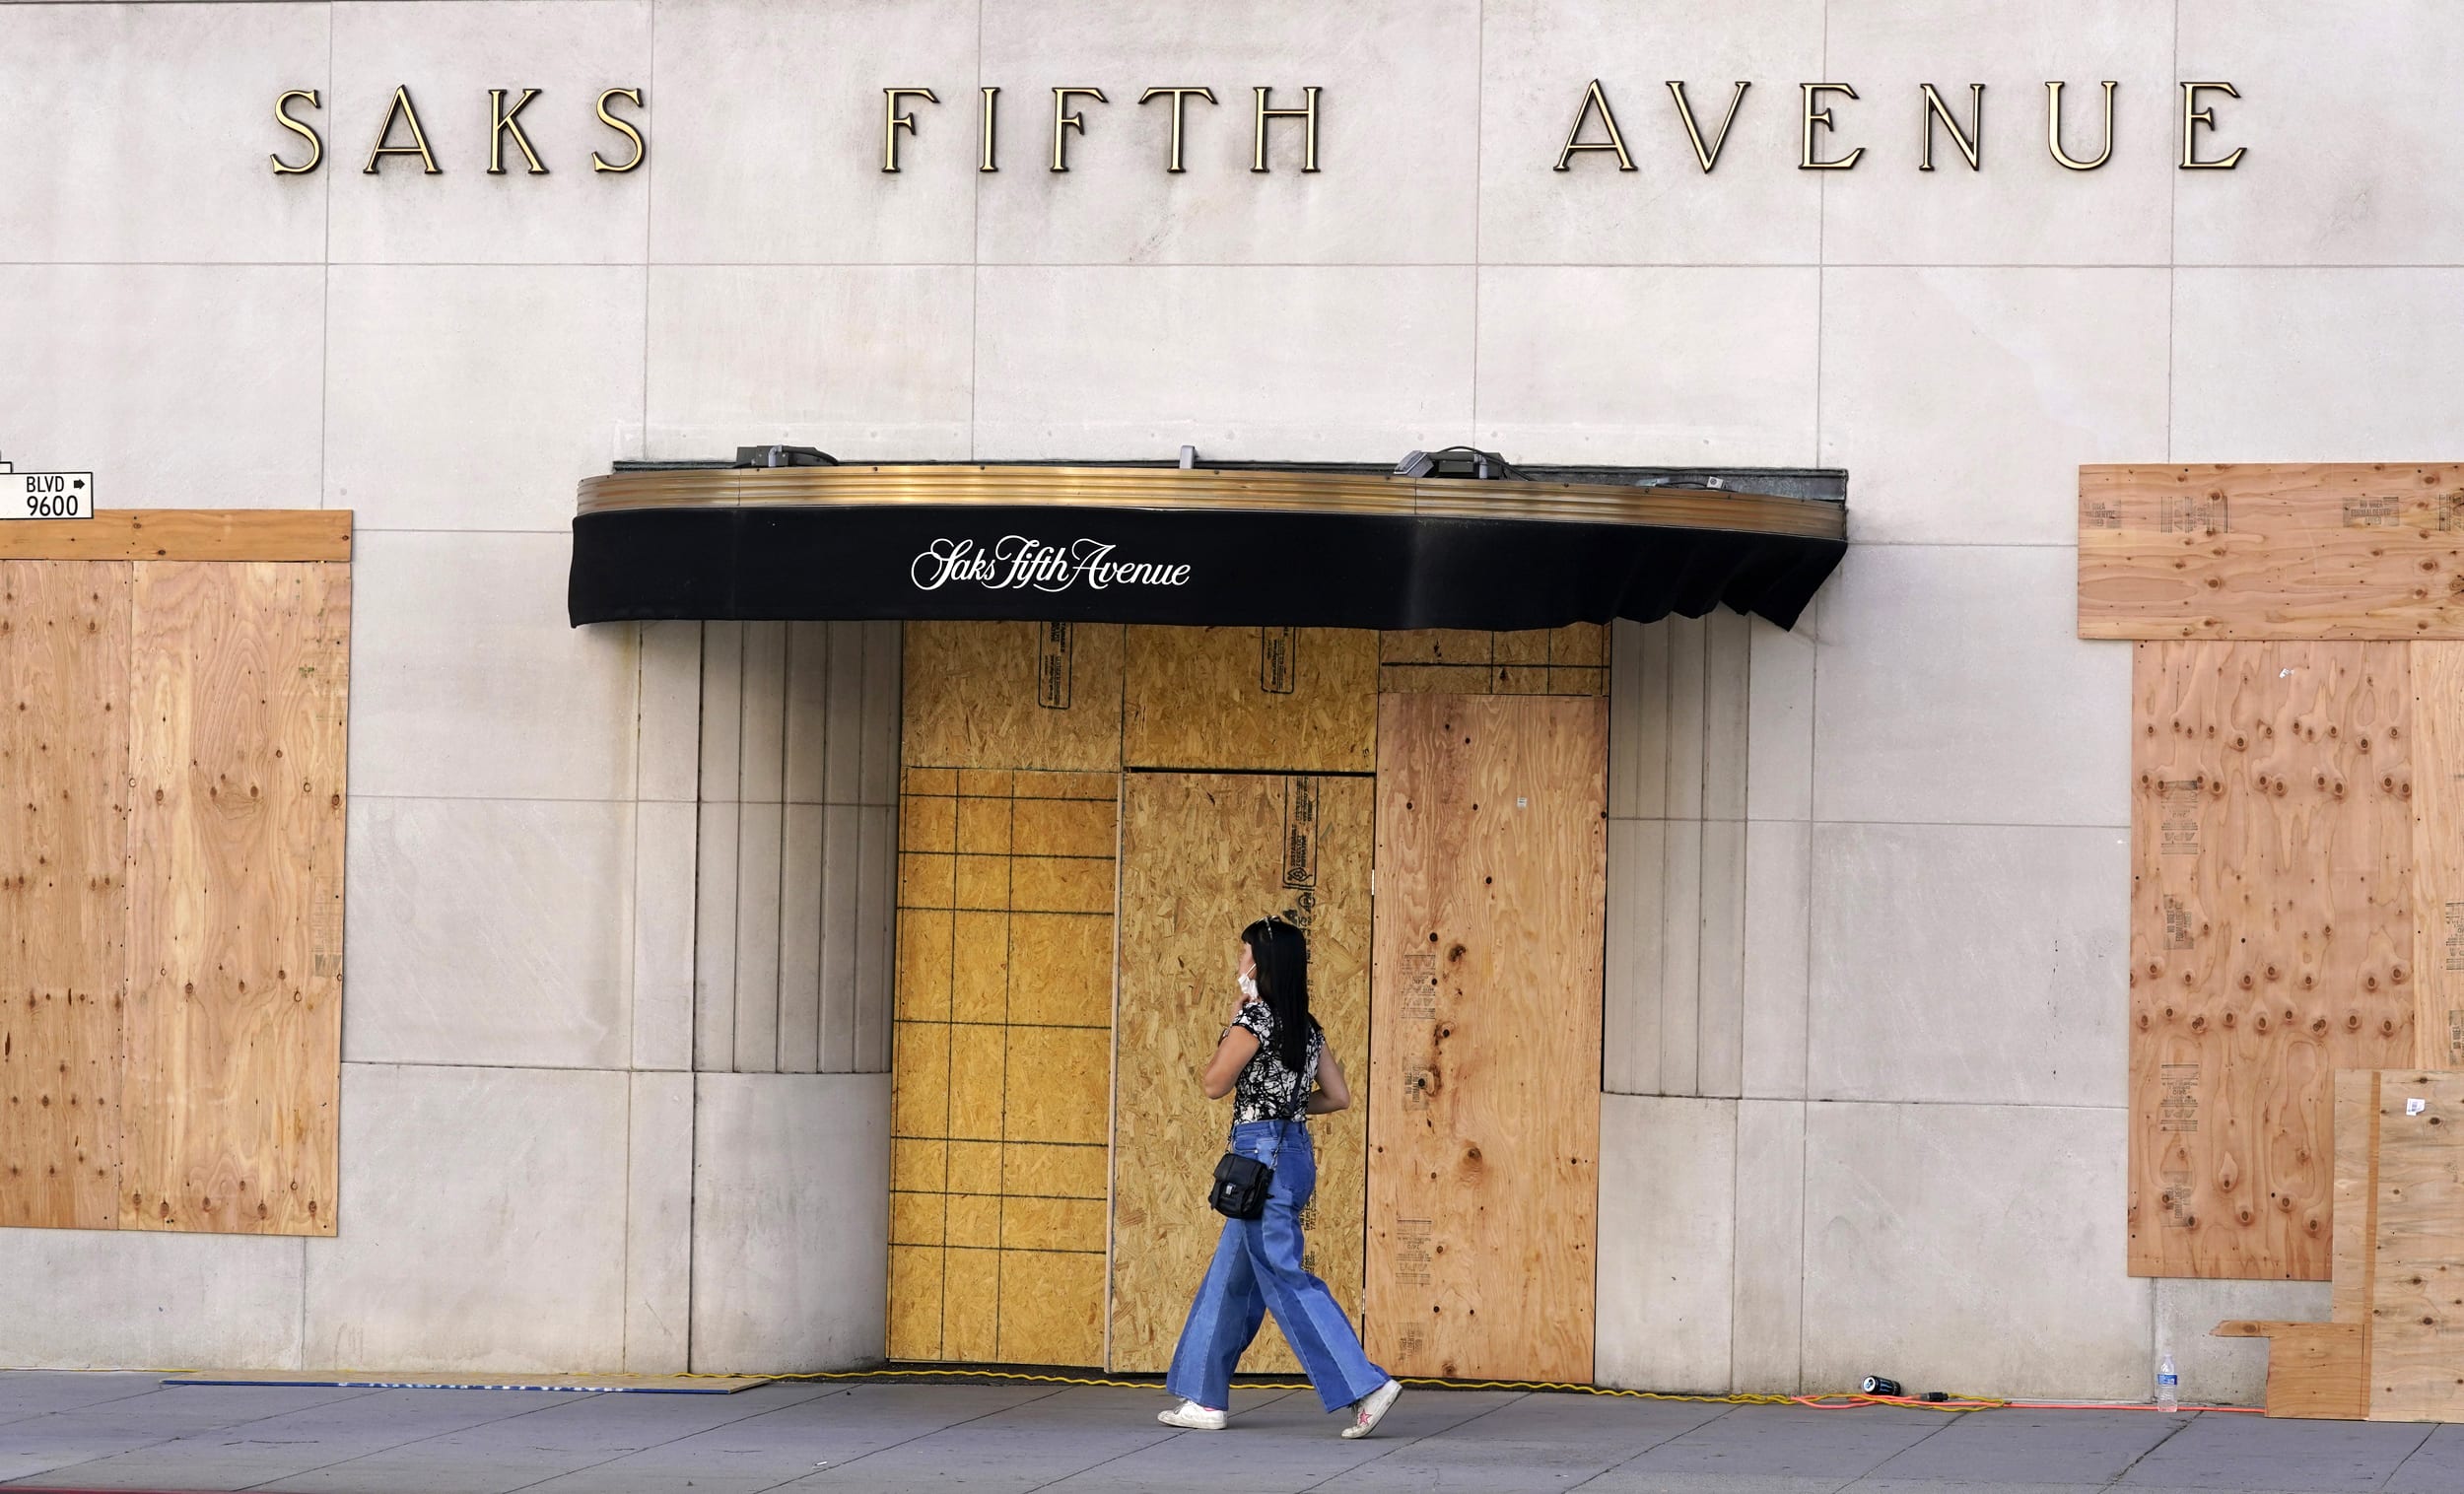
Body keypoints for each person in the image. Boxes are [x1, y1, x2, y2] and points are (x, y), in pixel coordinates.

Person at [1157, 916, 1403, 1438]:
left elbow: (1213, 1084)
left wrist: (1232, 1024)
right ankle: (1204, 1397)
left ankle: (1365, 1385)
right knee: (1231, 1278)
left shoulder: (1255, 1020)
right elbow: (1337, 1097)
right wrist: (1284, 1105)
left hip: (1258, 1159)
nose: (1238, 960)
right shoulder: (1306, 1026)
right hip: (1291, 1156)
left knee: (1286, 1277)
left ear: (1260, 963)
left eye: (1244, 952)